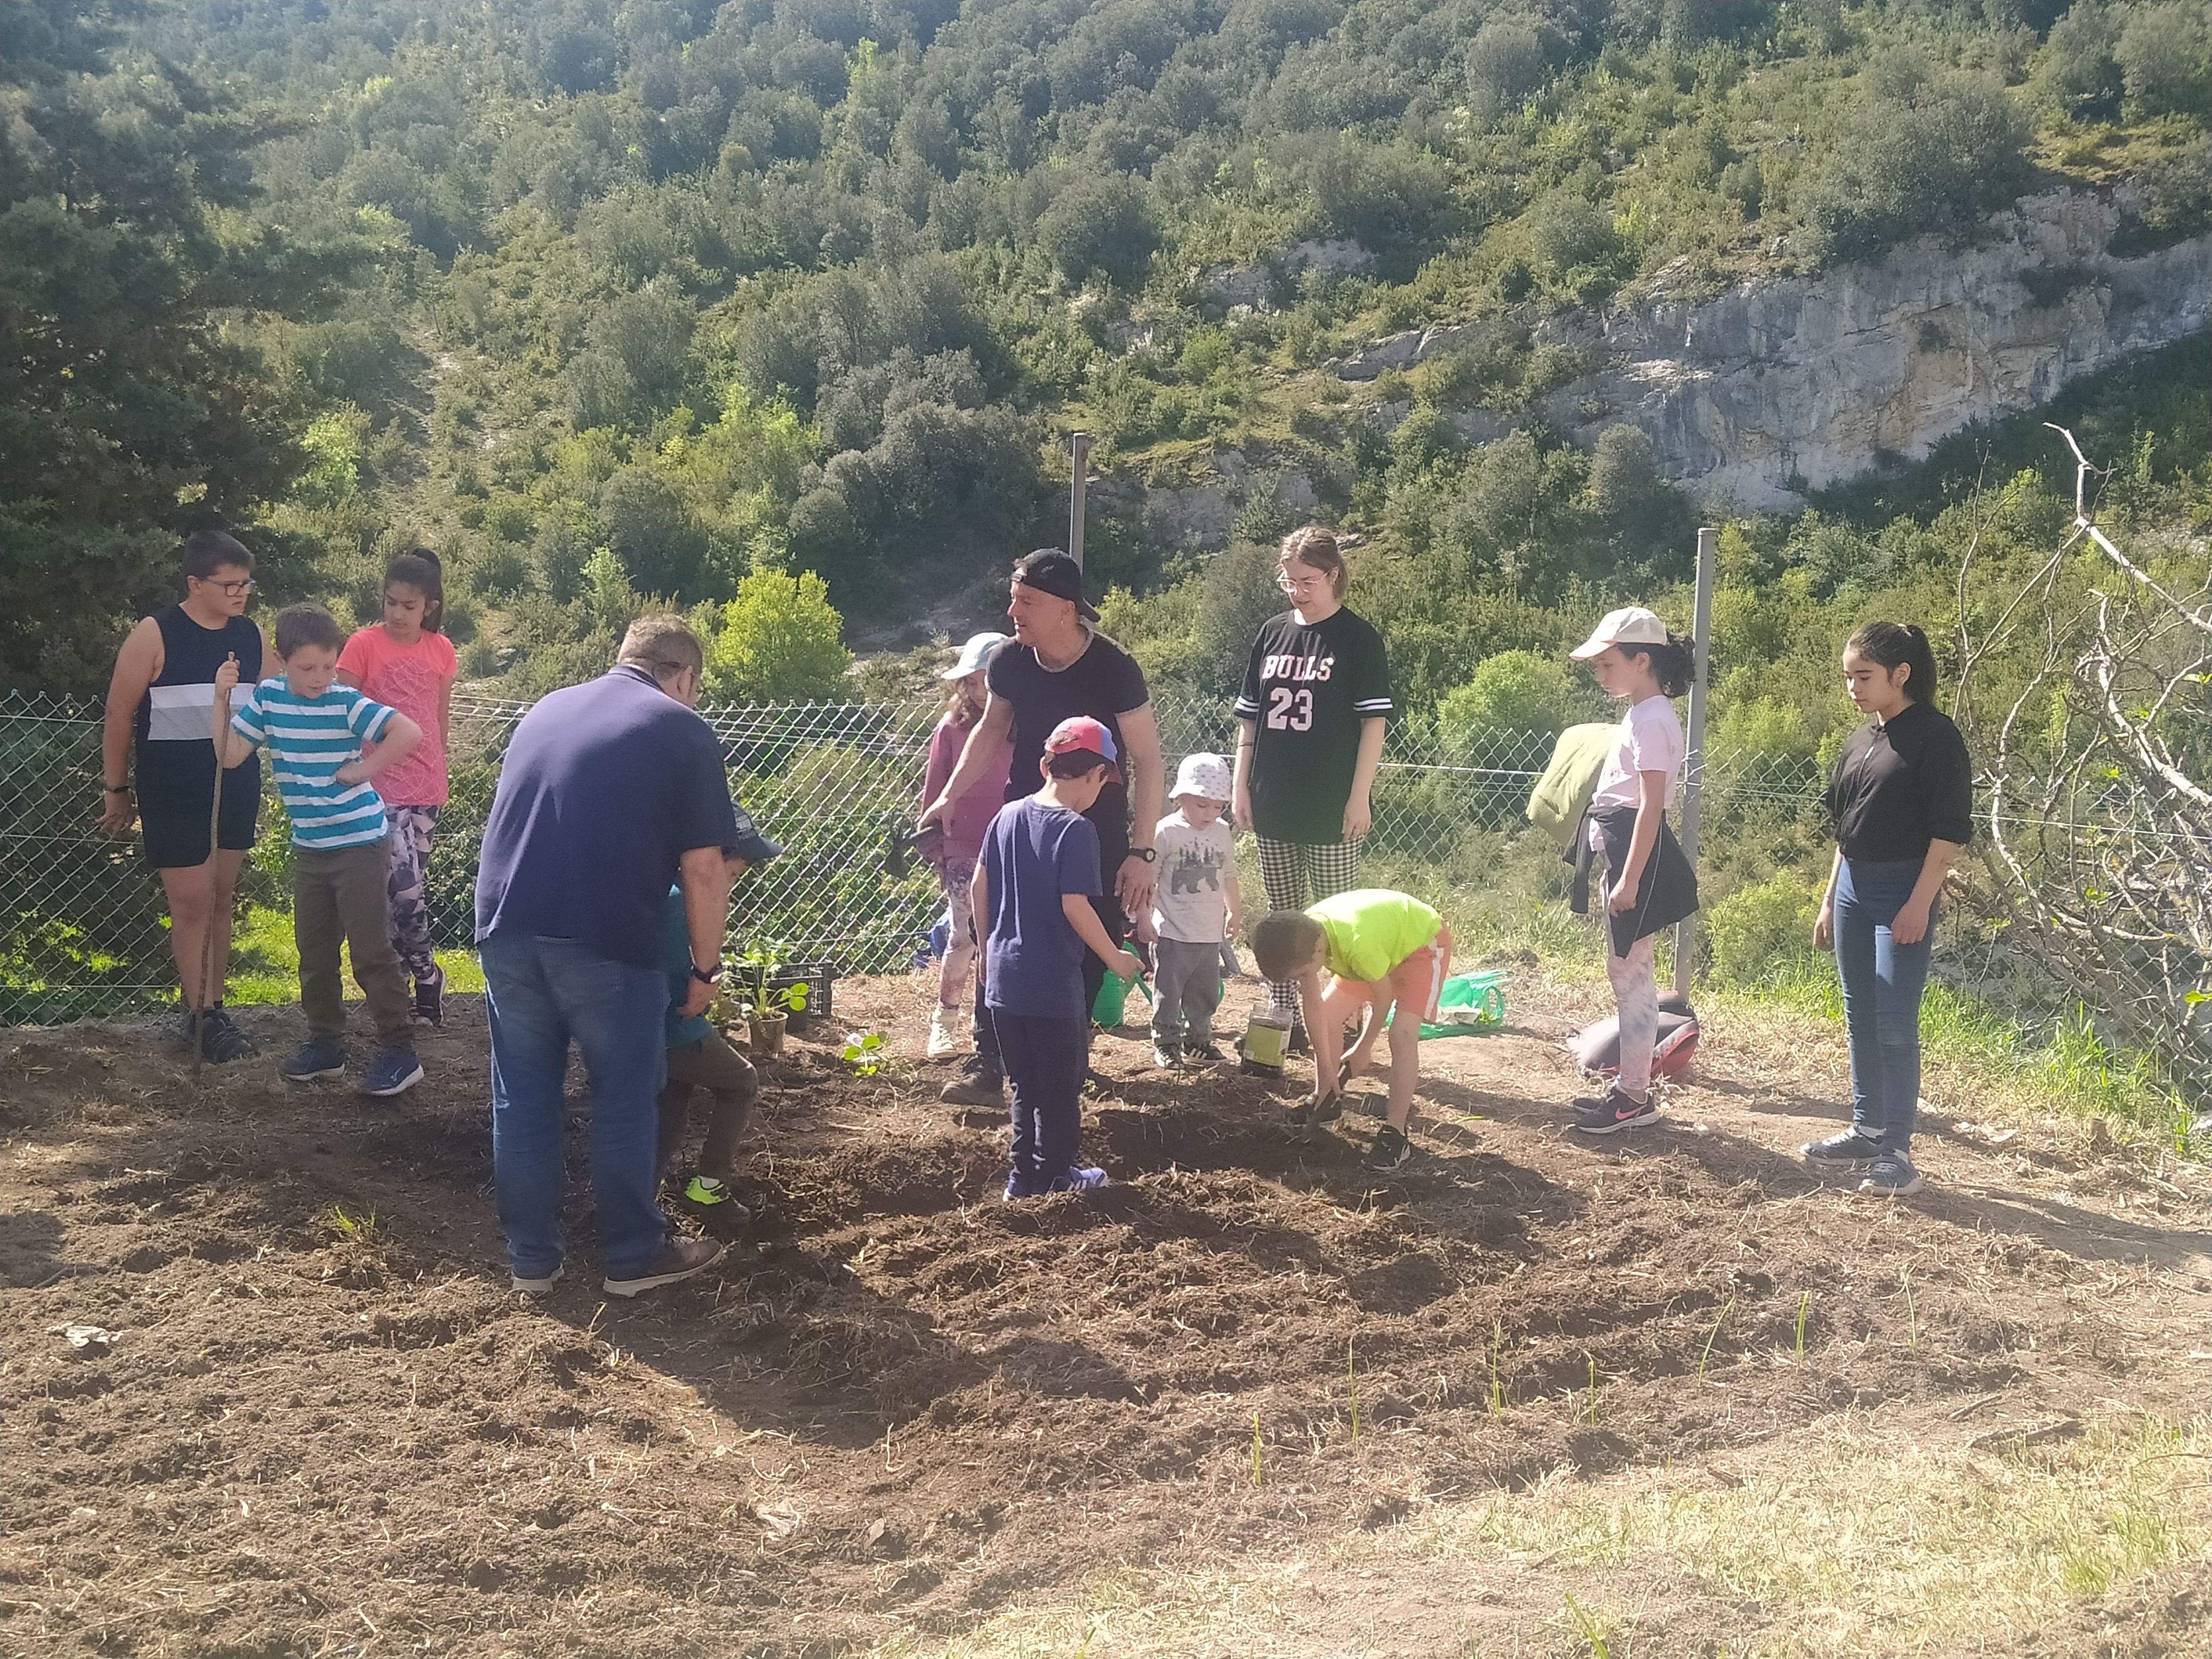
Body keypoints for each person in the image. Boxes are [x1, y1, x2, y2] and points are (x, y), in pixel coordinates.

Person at [474, 615, 745, 1300]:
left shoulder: (547, 708)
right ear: (684, 676)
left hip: (504, 929)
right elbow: (706, 869)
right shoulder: (681, 727)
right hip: (603, 940)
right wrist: (704, 971)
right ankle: (632, 1255)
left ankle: (532, 1261)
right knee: (624, 1097)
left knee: (524, 1098)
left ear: (624, 659)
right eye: (695, 688)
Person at [920, 550, 1164, 1108]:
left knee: (1086, 944)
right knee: (998, 938)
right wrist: (947, 798)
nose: (1012, 611)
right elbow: (990, 730)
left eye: (1026, 601)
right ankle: (989, 1064)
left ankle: (1068, 1065)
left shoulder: (1114, 668)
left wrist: (1142, 851)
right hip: (1024, 821)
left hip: (1097, 827)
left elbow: (1150, 761)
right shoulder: (1010, 661)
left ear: (1066, 610)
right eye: (1013, 597)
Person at [215, 605, 426, 1098]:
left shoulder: (345, 703)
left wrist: (361, 771)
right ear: (280, 659)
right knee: (314, 951)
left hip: (358, 842)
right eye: (306, 668)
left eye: (328, 667)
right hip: (310, 847)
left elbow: (408, 733)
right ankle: (326, 1045)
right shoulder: (268, 699)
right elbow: (229, 755)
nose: (318, 678)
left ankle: (400, 1050)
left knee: (370, 951)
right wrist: (221, 699)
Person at [1803, 623, 1972, 1198]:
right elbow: (1843, 831)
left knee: (1895, 1023)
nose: (1853, 687)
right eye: (1848, 676)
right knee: (1859, 1013)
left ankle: (1897, 1151)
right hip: (1852, 888)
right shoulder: (1860, 740)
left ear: (1900, 675)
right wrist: (1829, 899)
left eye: (1864, 676)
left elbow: (1948, 836)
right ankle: (1867, 1128)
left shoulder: (1935, 737)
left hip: (1903, 891)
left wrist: (1918, 905)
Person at [98, 530, 269, 1062]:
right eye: (229, 584)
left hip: (235, 782)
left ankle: (214, 1008)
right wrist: (116, 791)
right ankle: (197, 1014)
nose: (240, 594)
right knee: (191, 902)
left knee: (221, 898)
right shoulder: (155, 633)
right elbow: (119, 715)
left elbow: (281, 701)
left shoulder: (252, 634)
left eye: (246, 583)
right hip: (172, 787)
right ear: (195, 584)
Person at [971, 717, 1147, 1198]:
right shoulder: (1076, 830)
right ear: (1094, 775)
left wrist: (987, 952)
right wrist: (1115, 957)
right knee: (1062, 1086)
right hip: (1051, 982)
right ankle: (1060, 1176)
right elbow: (1075, 906)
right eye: (1103, 782)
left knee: (1025, 1085)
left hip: (1003, 980)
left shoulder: (1006, 816)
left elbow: (978, 886)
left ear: (1047, 764)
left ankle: (1021, 1181)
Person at [1233, 525, 1392, 1050]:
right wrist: (1241, 786)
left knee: (1336, 916)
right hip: (1273, 797)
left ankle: (1342, 1016)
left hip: (1331, 803)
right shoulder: (1272, 632)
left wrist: (1359, 794)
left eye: (1308, 580)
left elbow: (1374, 725)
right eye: (1290, 581)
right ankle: (1284, 1013)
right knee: (1284, 914)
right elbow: (1250, 720)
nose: (1298, 590)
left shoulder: (1359, 638)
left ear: (1333, 575)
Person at [1564, 607, 1700, 1135]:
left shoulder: (1653, 718)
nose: (1601, 675)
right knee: (1626, 972)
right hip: (1622, 846)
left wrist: (1629, 879)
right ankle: (1630, 1091)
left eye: (1607, 664)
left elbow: (1650, 807)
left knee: (1633, 976)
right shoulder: (1643, 712)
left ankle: (1633, 1098)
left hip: (1634, 853)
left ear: (1642, 660)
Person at [337, 549, 458, 1028]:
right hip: (375, 783)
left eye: (409, 605)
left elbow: (439, 716)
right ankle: (428, 977)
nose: (397, 613)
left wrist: (441, 766)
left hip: (427, 784)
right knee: (403, 891)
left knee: (405, 895)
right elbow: (341, 712)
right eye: (391, 602)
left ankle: (404, 991)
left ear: (429, 605)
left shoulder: (441, 649)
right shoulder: (362, 644)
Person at [1250, 890, 1452, 1172]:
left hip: (1421, 946)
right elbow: (1315, 1009)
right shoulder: (1306, 936)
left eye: (1302, 975)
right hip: (1380, 950)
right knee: (1330, 1015)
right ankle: (1326, 1102)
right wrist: (1327, 1070)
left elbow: (1383, 1001)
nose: (1304, 980)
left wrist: (1363, 1047)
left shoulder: (1357, 946)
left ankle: (1396, 1133)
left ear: (1318, 952)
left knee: (1402, 1034)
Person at [658, 843, 778, 1211]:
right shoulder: (683, 903)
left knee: (673, 1098)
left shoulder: (663, 889)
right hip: (673, 1030)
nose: (730, 886)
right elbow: (684, 991)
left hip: (643, 1031)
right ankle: (709, 1187)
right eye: (733, 874)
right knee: (741, 1081)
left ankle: (640, 1199)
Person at [917, 630, 1011, 1058]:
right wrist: (935, 840)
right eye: (969, 682)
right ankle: (945, 1021)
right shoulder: (951, 728)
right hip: (963, 843)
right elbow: (935, 787)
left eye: (983, 680)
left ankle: (991, 1021)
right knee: (964, 936)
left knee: (1004, 934)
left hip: (1010, 840)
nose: (975, 690)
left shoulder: (1021, 726)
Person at [1145, 752, 1243, 1067]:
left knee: (1204, 992)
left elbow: (1228, 874)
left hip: (1209, 931)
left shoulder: (1222, 832)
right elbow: (1149, 879)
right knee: (1169, 991)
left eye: (1218, 806)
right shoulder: (1166, 831)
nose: (1210, 812)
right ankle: (1166, 1042)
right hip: (1173, 930)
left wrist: (1235, 911)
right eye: (1203, 804)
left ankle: (1198, 1041)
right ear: (1182, 796)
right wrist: (1144, 919)